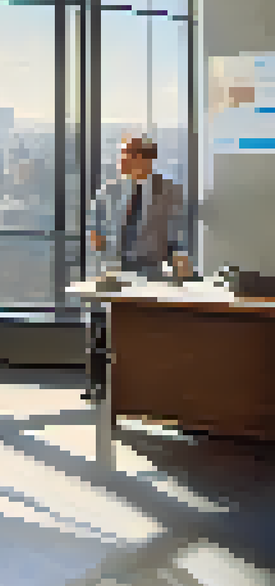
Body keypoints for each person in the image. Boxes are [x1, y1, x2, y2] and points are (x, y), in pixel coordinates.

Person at [85, 134, 192, 400]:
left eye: (127, 154)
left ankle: (143, 389)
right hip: (113, 268)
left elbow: (178, 232)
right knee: (100, 325)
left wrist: (179, 258)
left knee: (143, 330)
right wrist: (97, 238)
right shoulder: (109, 190)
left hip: (150, 269)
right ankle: (97, 384)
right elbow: (95, 226)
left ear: (146, 159)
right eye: (121, 154)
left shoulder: (169, 191)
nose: (121, 160)